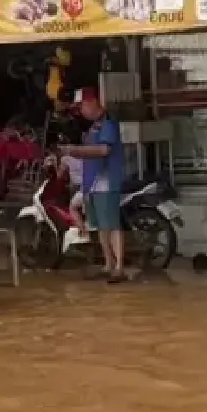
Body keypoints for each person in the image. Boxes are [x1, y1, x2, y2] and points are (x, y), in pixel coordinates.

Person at [63, 87, 129, 282]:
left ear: (92, 103)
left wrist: (74, 151)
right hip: (93, 183)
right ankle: (108, 263)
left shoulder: (108, 124)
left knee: (112, 225)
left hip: (107, 181)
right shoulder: (94, 127)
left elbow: (103, 150)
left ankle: (119, 267)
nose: (81, 111)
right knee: (101, 226)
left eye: (82, 106)